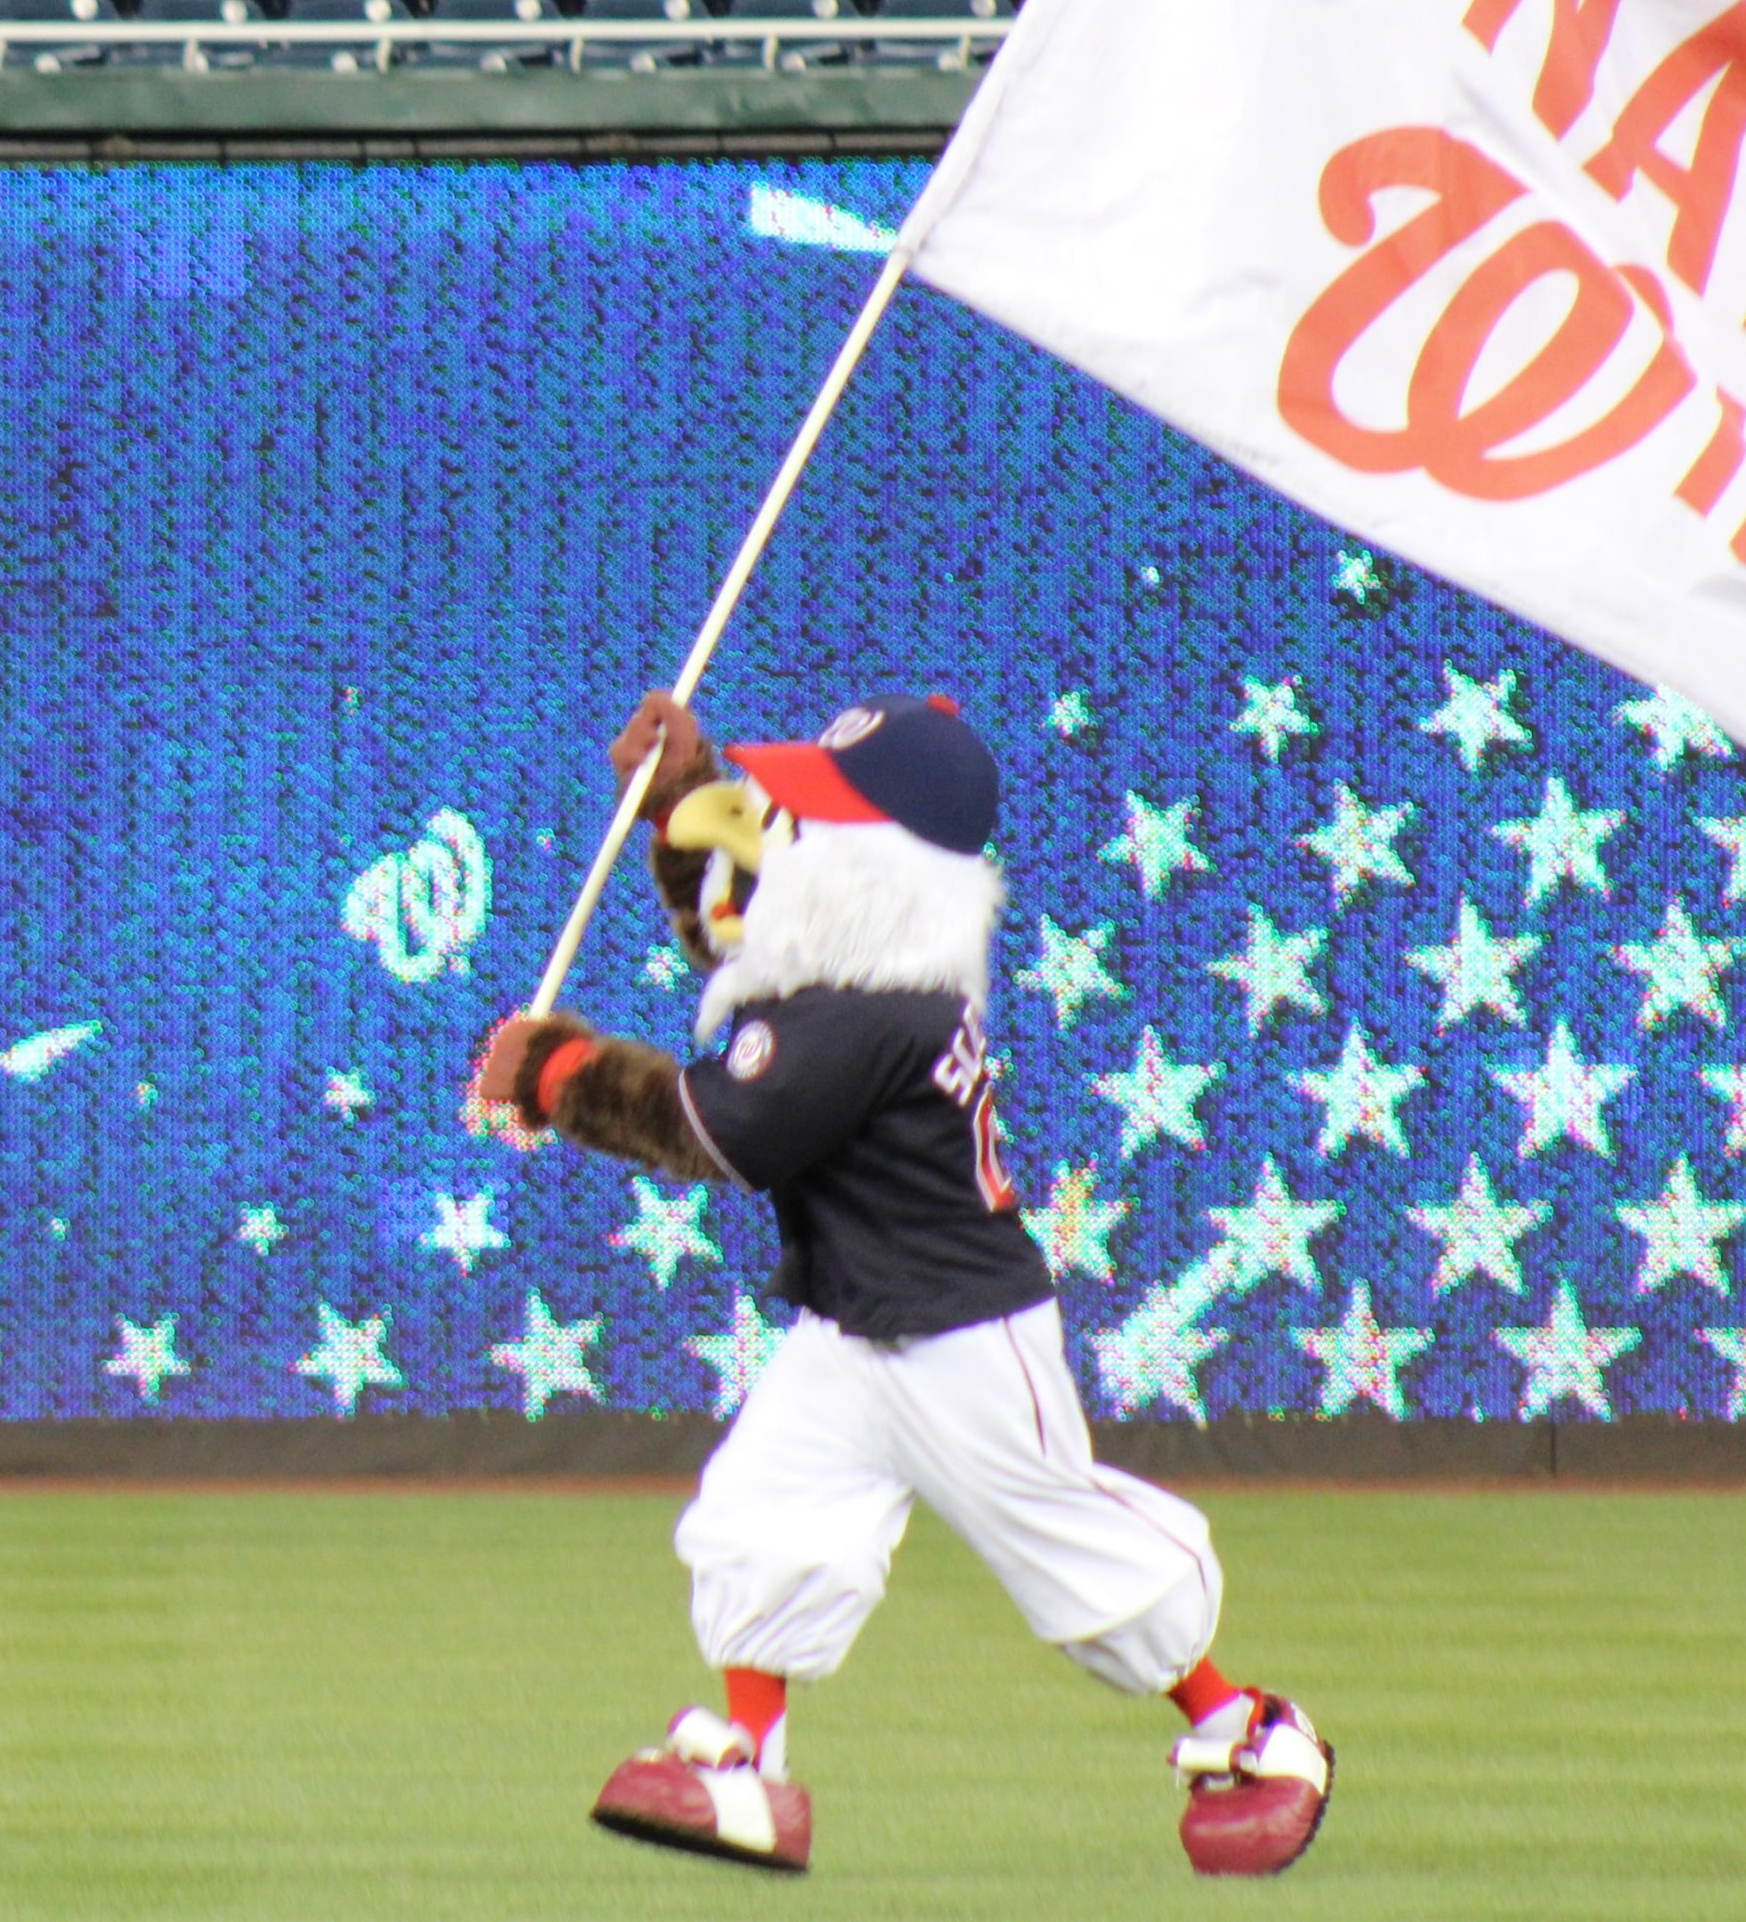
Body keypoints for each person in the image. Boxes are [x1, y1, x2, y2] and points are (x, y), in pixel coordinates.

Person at [479, 689, 1332, 1878]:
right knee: (763, 1511)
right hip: (854, 1319)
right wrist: (679, 800)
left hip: (961, 1333)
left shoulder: (877, 1000)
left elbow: (723, 1131)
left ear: (891, 856)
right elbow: (748, 935)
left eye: (825, 814)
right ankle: (747, 1767)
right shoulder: (861, 959)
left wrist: (562, 1074)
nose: (792, 826)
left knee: (1068, 1542)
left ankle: (1250, 1729)